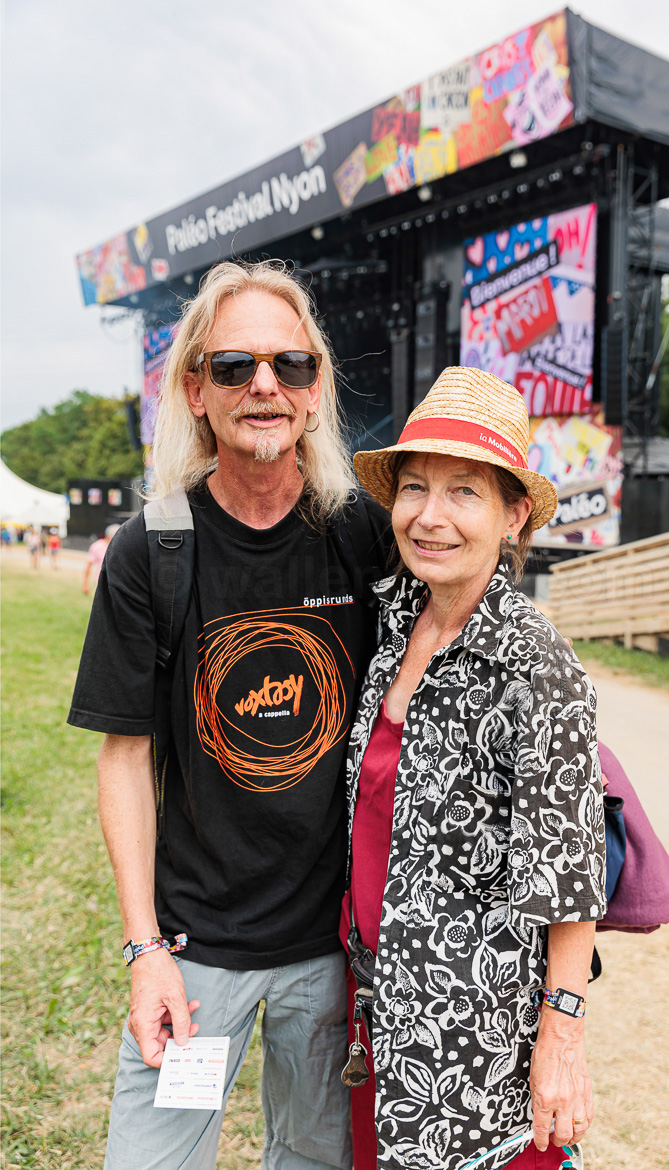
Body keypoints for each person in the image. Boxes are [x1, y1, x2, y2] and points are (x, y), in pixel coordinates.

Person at [67, 260, 391, 1170]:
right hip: (195, 958)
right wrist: (145, 952)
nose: (264, 385)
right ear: (194, 389)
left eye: (291, 364)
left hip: (330, 959)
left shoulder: (362, 536)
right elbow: (125, 758)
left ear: (316, 389)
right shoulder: (152, 550)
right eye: (235, 365)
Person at [342, 367, 607, 1170]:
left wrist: (561, 1037)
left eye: (464, 492)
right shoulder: (394, 624)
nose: (430, 516)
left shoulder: (536, 665)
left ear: (513, 513)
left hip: (475, 1041)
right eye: (415, 488)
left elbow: (569, 873)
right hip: (376, 1008)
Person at [82, 523, 120, 593]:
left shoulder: (120, 548)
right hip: (101, 583)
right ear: (109, 536)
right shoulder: (97, 546)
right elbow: (89, 565)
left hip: (117, 584)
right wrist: (85, 584)